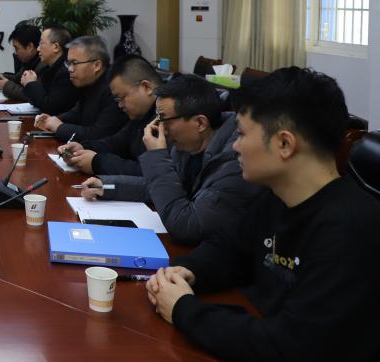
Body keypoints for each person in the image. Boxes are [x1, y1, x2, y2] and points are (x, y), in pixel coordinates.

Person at [146, 68, 380, 361]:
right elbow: (230, 250)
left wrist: (184, 309)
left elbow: (289, 345)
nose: (235, 146)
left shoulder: (350, 229)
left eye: (243, 134)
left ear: (284, 144)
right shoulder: (276, 197)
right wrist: (188, 271)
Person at [79, 73, 264, 244]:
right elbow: (165, 187)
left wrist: (156, 156)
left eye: (164, 120)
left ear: (200, 123)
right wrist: (108, 186)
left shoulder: (237, 158)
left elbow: (187, 225)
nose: (161, 130)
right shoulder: (187, 144)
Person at [57, 55, 160, 175]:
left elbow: (149, 173)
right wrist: (83, 148)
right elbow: (116, 143)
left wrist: (97, 163)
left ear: (146, 87)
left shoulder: (168, 118)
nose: (120, 105)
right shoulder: (141, 114)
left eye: (121, 97)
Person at [32, 36, 126, 143]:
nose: (70, 69)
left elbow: (99, 135)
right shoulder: (89, 82)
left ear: (97, 65)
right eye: (68, 63)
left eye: (75, 63)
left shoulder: (114, 89)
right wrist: (55, 119)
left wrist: (59, 127)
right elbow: (77, 113)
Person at [19, 25, 78, 114]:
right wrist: (28, 83)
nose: (38, 49)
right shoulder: (48, 68)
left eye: (41, 43)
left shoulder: (66, 72)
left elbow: (51, 107)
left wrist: (31, 83)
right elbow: (37, 101)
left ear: (56, 47)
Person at [0, 24, 42, 101]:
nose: (15, 53)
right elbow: (18, 79)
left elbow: (32, 95)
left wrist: (5, 85)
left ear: (30, 47)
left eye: (17, 48)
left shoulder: (44, 65)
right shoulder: (29, 60)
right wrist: (0, 76)